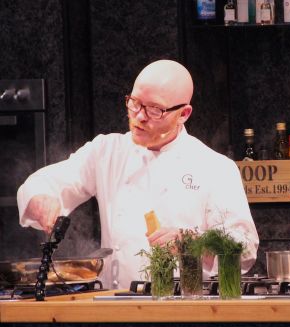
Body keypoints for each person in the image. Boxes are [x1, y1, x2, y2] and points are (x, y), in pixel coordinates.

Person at [17, 60, 259, 289]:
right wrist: (41, 198)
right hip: (117, 306)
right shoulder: (107, 151)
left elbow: (245, 248)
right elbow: (46, 183)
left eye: (155, 110)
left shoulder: (215, 167)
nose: (140, 116)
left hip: (186, 308)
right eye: (134, 103)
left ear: (183, 114)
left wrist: (192, 241)